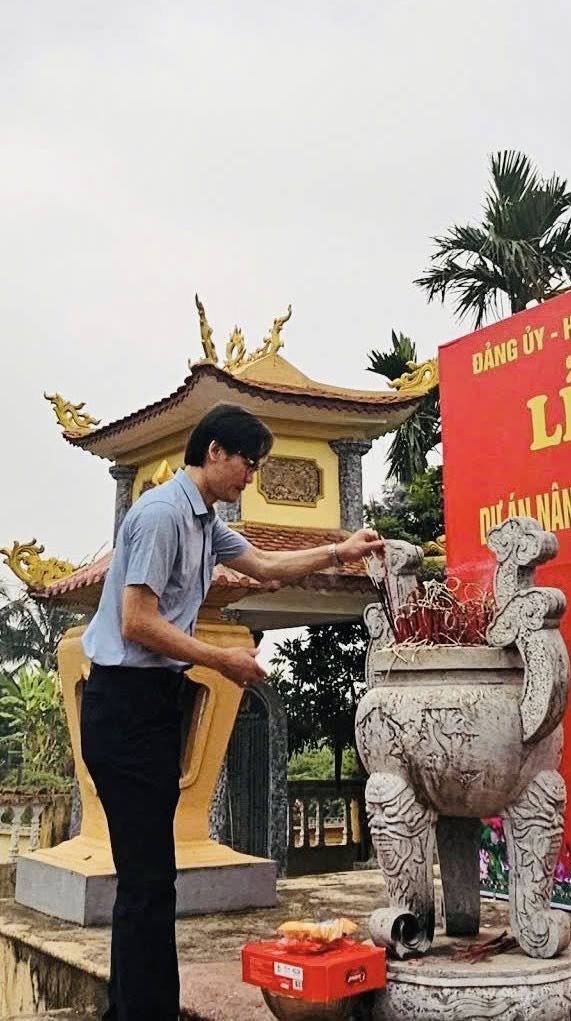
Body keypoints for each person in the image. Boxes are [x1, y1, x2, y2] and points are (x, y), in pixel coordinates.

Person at [80, 402, 384, 1020]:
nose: (253, 476)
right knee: (147, 879)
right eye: (249, 462)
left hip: (154, 704)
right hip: (124, 704)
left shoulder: (204, 522)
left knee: (151, 878)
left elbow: (265, 567)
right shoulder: (162, 515)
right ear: (215, 451)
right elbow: (136, 622)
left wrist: (339, 551)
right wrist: (222, 661)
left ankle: (138, 1010)